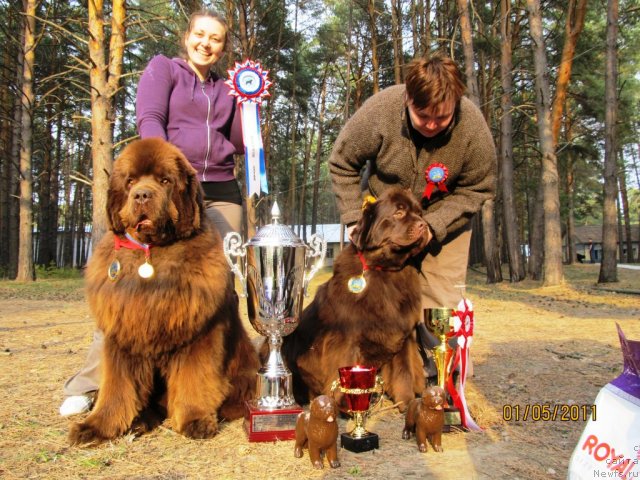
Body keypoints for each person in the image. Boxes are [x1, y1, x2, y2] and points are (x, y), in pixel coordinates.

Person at [59, 9, 244, 416]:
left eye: (215, 38)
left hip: (219, 191)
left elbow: (239, 142)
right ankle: (91, 384)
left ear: (222, 46)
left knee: (223, 290)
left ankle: (222, 381)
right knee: (124, 287)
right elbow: (150, 121)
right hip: (168, 187)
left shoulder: (229, 88)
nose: (206, 43)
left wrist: (252, 108)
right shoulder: (164, 70)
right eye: (200, 34)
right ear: (187, 36)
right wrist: (167, 178)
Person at [329, 53, 497, 377]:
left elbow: (479, 188)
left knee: (439, 302)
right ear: (407, 98)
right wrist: (354, 217)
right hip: (386, 226)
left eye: (442, 118)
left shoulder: (473, 128)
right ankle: (363, 374)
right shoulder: (381, 110)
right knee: (366, 300)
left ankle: (444, 384)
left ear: (456, 103)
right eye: (423, 116)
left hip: (445, 224)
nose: (432, 125)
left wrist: (433, 225)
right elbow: (342, 162)